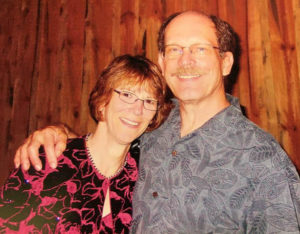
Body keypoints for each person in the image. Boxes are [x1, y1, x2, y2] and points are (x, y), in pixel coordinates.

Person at [13, 11, 300, 233]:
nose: (185, 61)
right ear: (162, 62)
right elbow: (105, 145)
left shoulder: (263, 160)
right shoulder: (150, 122)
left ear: (225, 62)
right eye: (175, 49)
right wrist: (57, 133)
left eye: (200, 49)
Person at [0, 54, 171, 233]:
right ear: (102, 102)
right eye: (127, 94)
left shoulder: (141, 181)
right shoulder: (47, 163)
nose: (138, 109)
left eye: (149, 101)